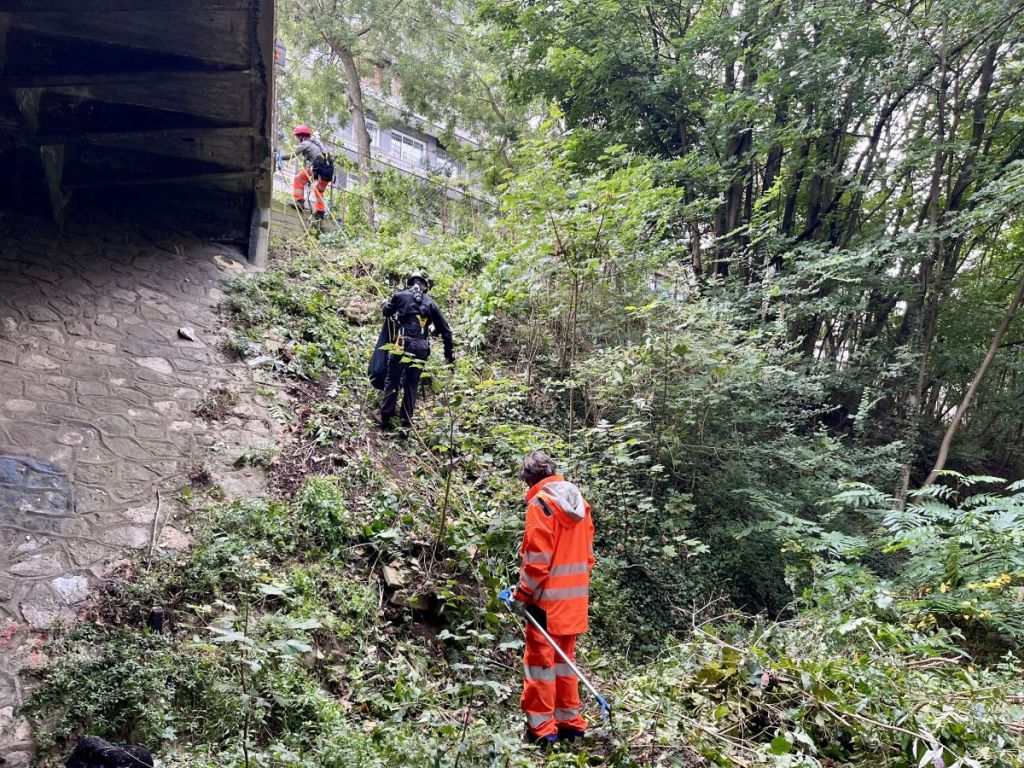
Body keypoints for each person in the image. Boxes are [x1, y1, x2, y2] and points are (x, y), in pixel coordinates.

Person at [505, 451, 595, 746]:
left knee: (541, 666)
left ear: (529, 480)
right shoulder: (580, 504)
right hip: (574, 602)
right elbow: (588, 557)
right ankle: (570, 725)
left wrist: (522, 594)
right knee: (564, 663)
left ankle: (542, 731)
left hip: (546, 603)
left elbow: (537, 562)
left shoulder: (541, 505)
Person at [372, 272, 454, 431]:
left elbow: (387, 312)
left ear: (409, 284)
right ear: (425, 287)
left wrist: (384, 305)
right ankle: (406, 422)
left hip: (402, 343)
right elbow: (446, 331)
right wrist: (449, 356)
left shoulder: (399, 296)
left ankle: (384, 416)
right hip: (422, 347)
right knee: (412, 382)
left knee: (393, 378)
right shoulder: (431, 303)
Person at [280, 124, 333, 220]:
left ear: (301, 136)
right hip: (327, 170)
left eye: (296, 137)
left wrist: (279, 157)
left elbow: (291, 156)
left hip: (317, 168)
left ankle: (299, 202)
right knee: (319, 190)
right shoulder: (315, 143)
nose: (296, 139)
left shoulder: (305, 144)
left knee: (298, 179)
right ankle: (320, 212)